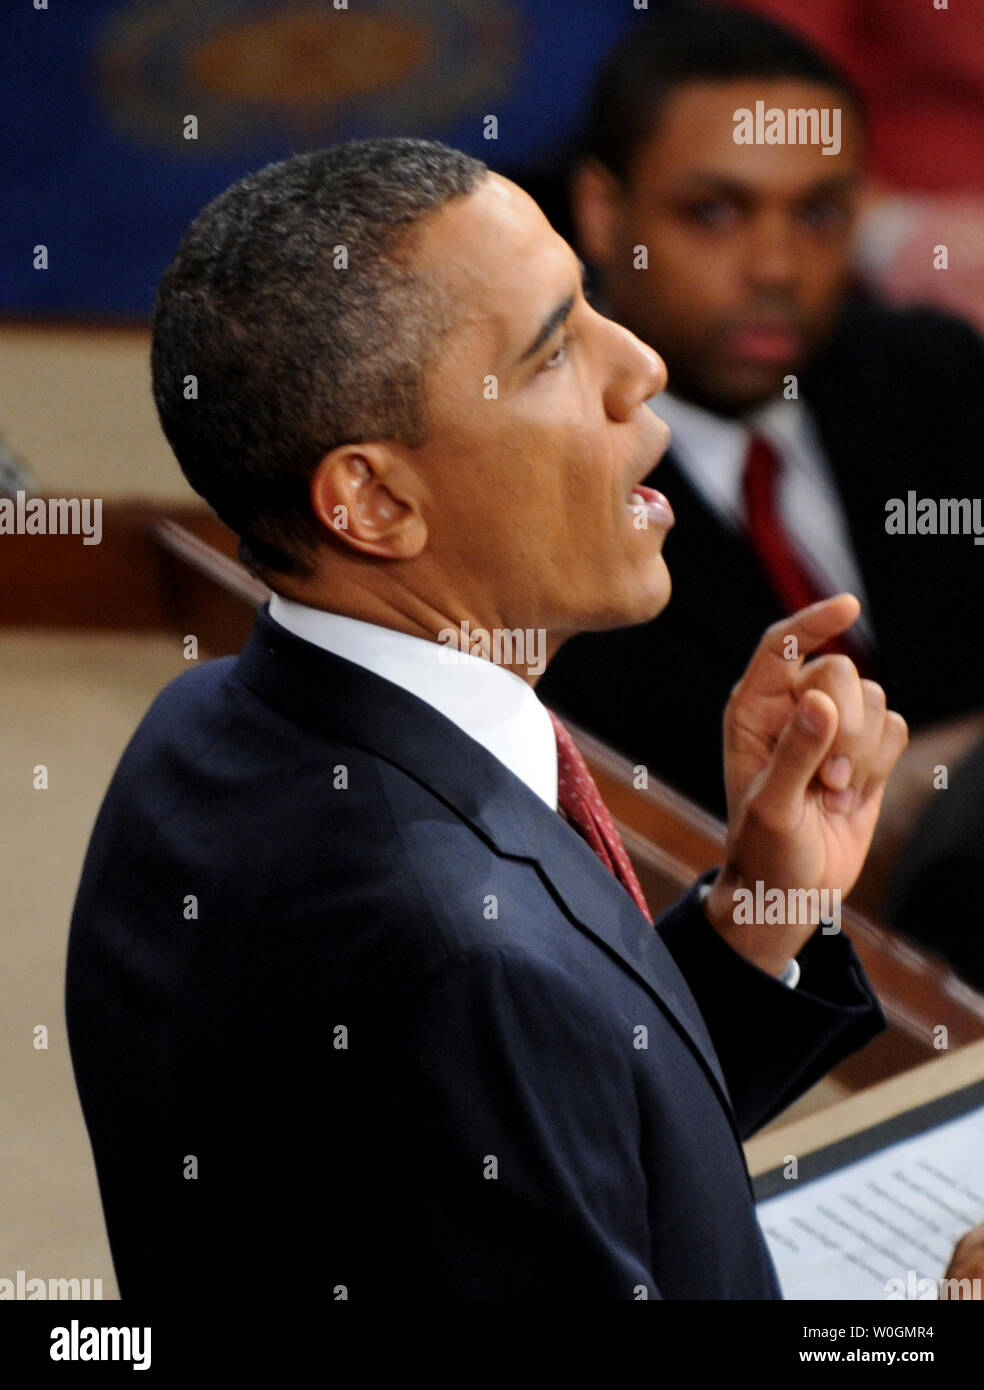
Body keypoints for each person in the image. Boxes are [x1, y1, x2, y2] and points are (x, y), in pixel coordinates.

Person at [67, 137, 916, 1301]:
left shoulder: (199, 722)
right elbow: (493, 1030)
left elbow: (530, 1133)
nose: (641, 367)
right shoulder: (465, 956)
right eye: (556, 347)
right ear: (373, 500)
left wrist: (756, 916)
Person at [535, 4, 984, 824]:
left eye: (818, 213)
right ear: (603, 214)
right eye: (714, 213)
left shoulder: (934, 379)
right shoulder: (527, 484)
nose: (776, 266)